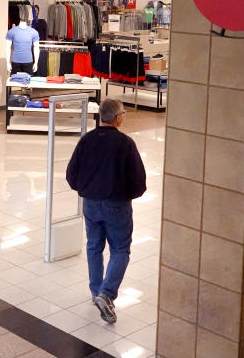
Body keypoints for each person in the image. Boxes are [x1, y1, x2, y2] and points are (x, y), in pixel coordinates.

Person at [66, 97, 147, 324]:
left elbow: (71, 173)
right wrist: (128, 195)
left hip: (90, 202)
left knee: (94, 246)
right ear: (118, 117)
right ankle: (107, 293)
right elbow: (138, 180)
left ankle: (95, 291)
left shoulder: (87, 140)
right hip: (116, 204)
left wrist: (85, 189)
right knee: (120, 249)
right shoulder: (125, 143)